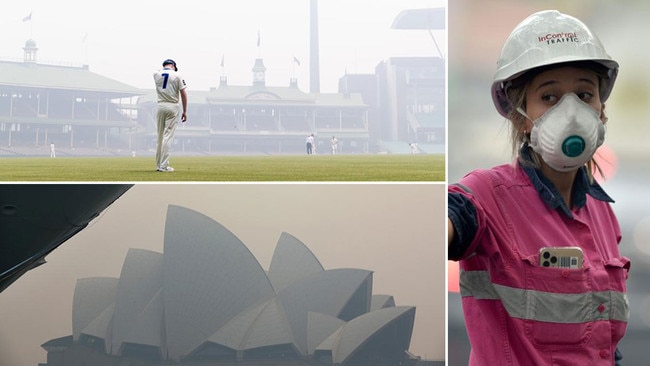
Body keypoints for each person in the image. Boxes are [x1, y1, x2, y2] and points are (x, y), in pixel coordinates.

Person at [447, 10, 628, 365]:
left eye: (584, 94)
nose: (572, 111)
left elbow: (603, 344)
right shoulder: (488, 196)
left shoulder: (603, 215)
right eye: (550, 97)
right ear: (520, 117)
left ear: (601, 110)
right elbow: (448, 217)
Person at [153, 59, 187, 172]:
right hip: (172, 106)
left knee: (160, 136)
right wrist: (185, 111)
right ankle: (164, 166)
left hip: (160, 105)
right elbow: (183, 94)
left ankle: (158, 165)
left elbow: (160, 72)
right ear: (173, 65)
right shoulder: (177, 75)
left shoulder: (156, 74)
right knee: (168, 137)